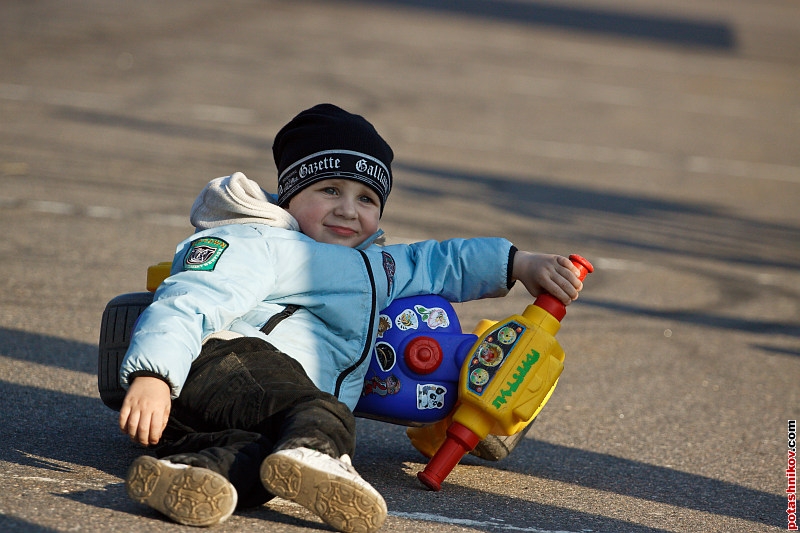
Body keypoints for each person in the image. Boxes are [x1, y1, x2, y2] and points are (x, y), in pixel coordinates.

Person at [118, 103, 584, 533]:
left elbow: (441, 262)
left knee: (266, 466)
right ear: (291, 193)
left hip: (237, 412)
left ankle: (190, 476)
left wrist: (521, 263)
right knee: (323, 414)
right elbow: (190, 298)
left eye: (366, 198)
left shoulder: (375, 266)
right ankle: (320, 451)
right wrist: (154, 374)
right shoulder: (260, 242)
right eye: (330, 190)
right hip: (220, 365)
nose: (348, 209)